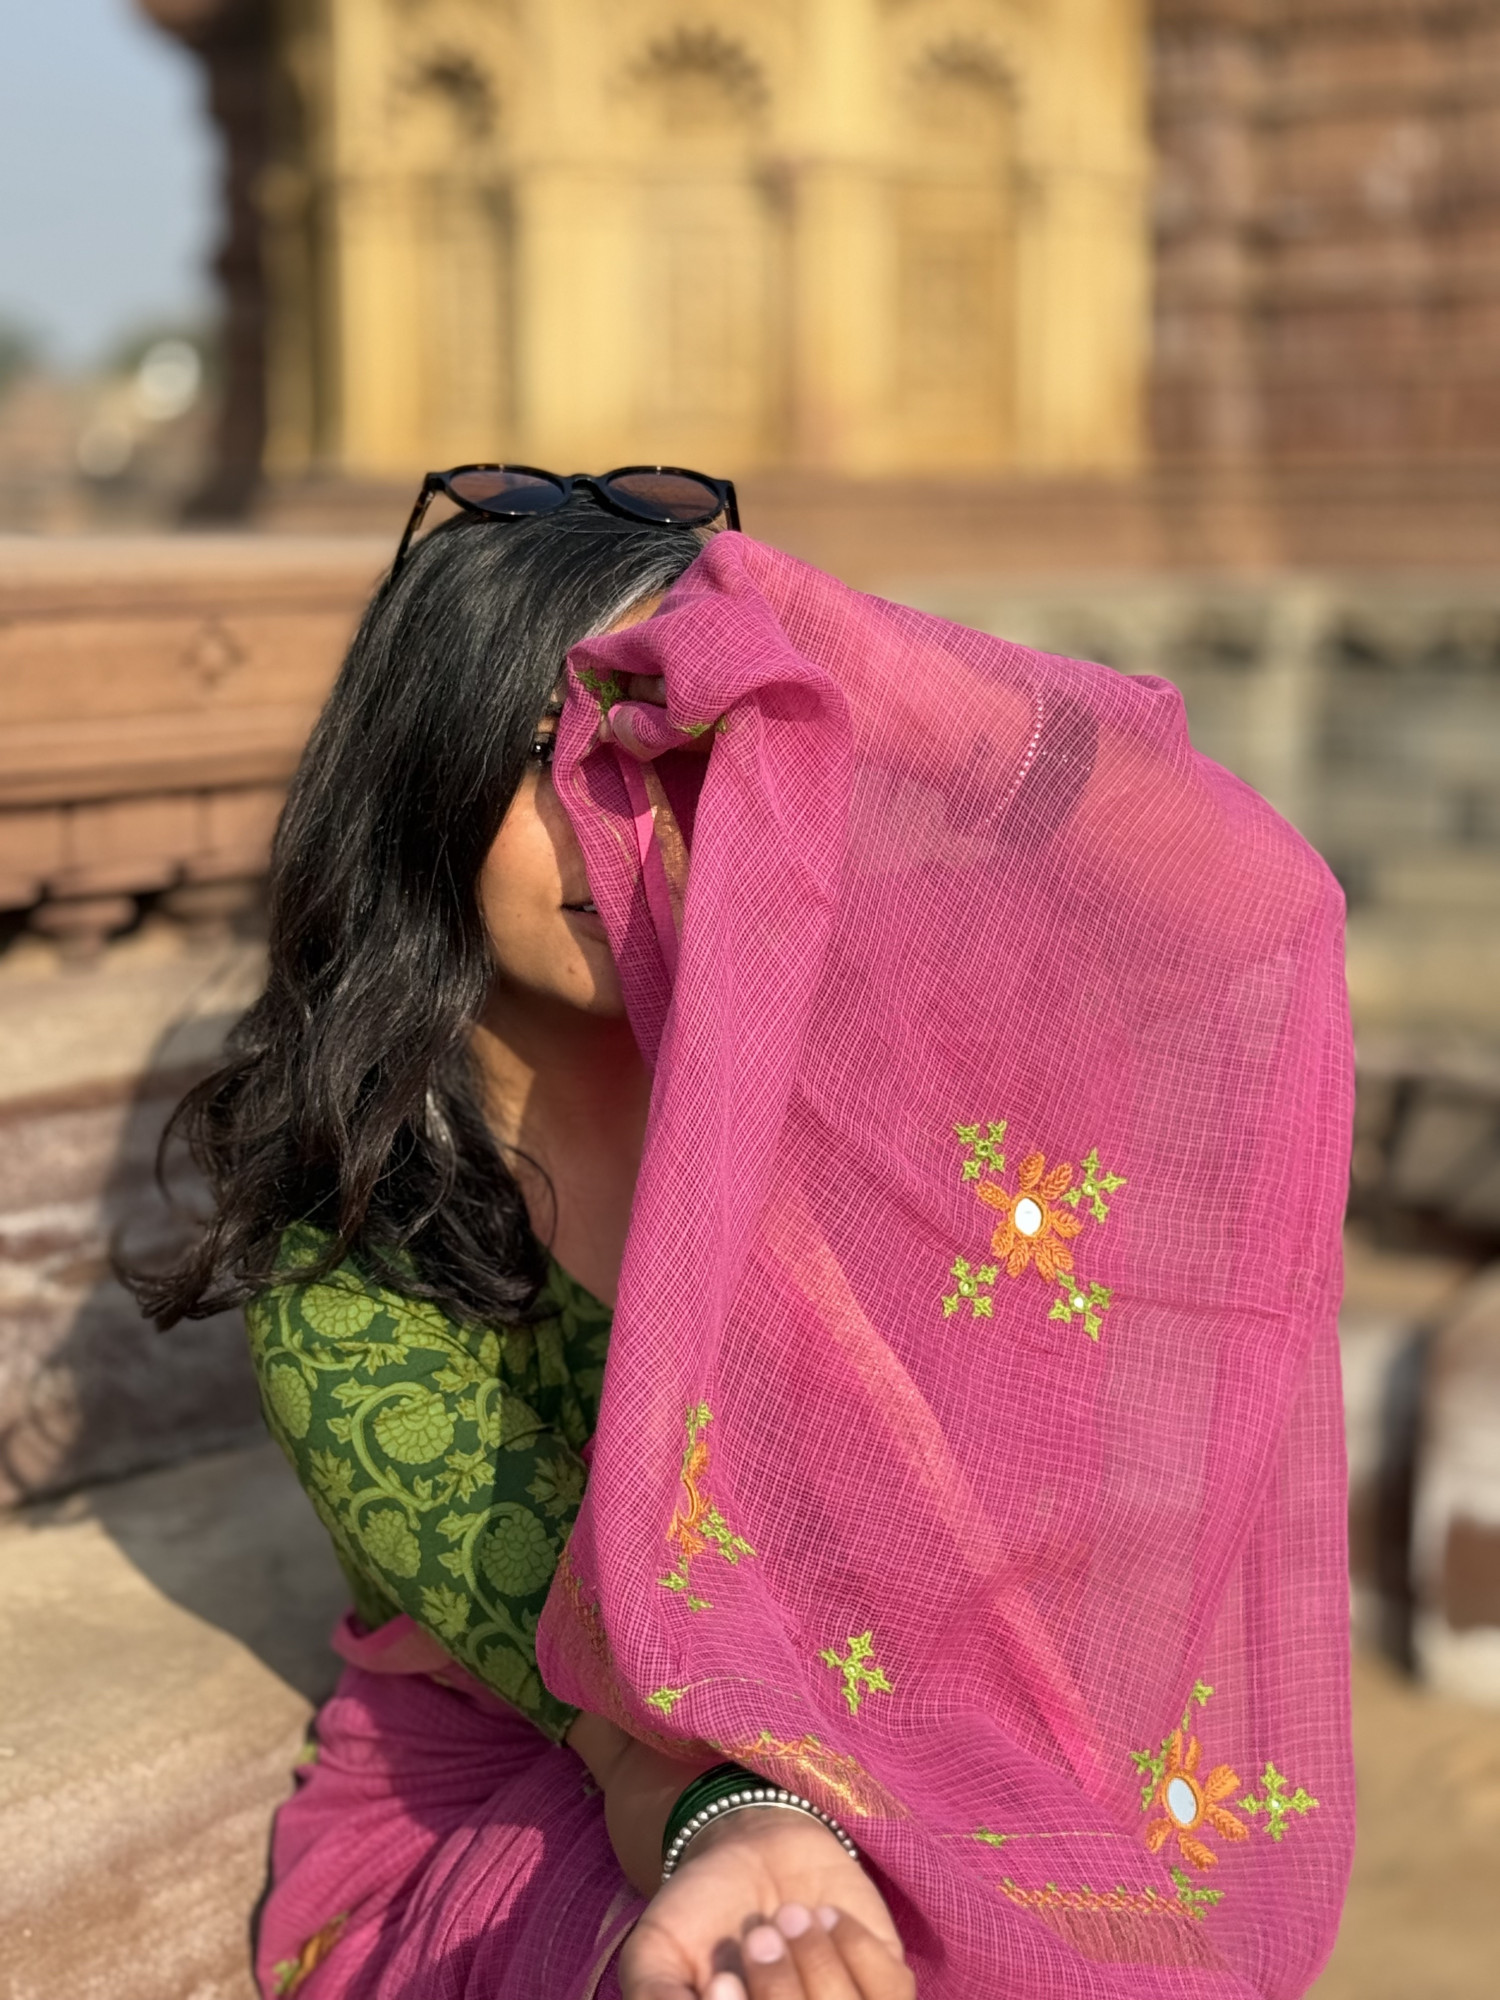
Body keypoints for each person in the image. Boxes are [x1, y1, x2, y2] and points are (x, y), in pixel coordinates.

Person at [133, 469, 1355, 2000]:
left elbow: (1234, 911)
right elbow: (629, 1728)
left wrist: (858, 684)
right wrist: (753, 1831)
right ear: (419, 778)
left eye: (676, 751)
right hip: (562, 1791)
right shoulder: (353, 1271)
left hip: (915, 1728)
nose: (620, 821)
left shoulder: (855, 1073)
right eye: (545, 755)